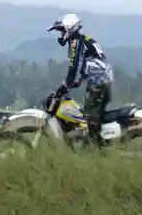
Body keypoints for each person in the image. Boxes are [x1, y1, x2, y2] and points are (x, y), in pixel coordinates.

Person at [47, 13, 114, 146]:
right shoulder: (83, 39)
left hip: (98, 84)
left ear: (69, 28)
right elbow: (89, 63)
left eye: (61, 30)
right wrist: (78, 80)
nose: (60, 34)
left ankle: (97, 149)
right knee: (94, 115)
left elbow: (74, 67)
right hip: (102, 81)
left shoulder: (75, 43)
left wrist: (65, 85)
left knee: (89, 118)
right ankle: (96, 144)